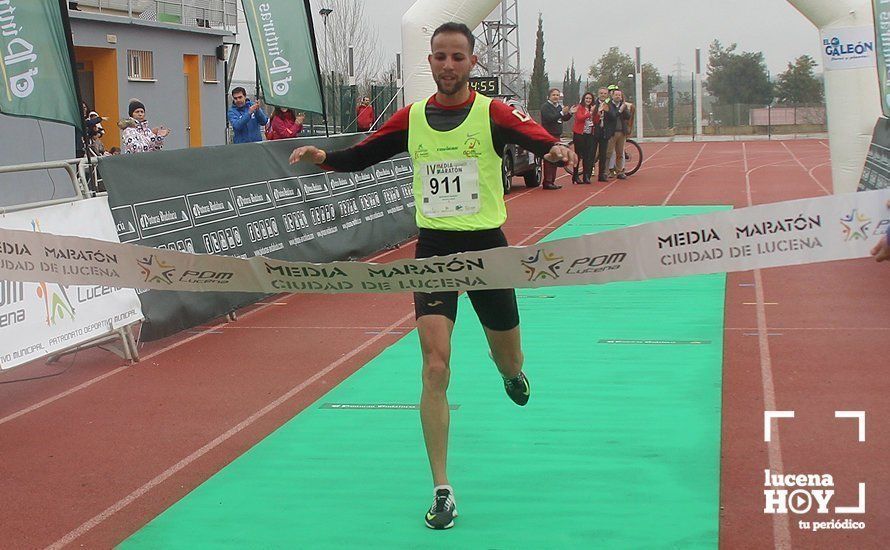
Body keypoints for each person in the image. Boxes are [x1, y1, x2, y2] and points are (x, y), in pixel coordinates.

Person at [288, 21, 575, 531]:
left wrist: (556, 149)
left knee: (508, 354)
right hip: (436, 248)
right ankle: (442, 488)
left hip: (487, 248)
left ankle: (510, 373)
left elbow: (537, 139)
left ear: (472, 63)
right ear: (431, 61)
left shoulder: (492, 112)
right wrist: (324, 158)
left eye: (457, 57)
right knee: (434, 367)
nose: (447, 65)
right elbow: (366, 153)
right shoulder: (413, 116)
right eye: (439, 56)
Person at [540, 88, 574, 189]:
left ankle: (552, 181)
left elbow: (563, 118)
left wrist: (570, 113)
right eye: (554, 95)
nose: (556, 97)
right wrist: (561, 113)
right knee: (550, 158)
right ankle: (547, 181)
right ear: (549, 96)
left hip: (557, 135)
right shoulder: (545, 107)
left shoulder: (558, 106)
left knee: (556, 158)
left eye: (557, 95)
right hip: (549, 135)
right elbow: (550, 119)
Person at [606, 89, 632, 180]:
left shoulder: (623, 106)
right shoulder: (608, 105)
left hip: (621, 132)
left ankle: (620, 171)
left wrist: (624, 109)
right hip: (612, 132)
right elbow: (612, 116)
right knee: (609, 153)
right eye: (616, 95)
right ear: (612, 96)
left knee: (620, 153)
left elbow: (628, 116)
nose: (618, 97)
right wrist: (620, 111)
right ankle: (607, 171)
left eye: (619, 95)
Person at [571, 92, 597, 184]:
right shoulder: (580, 107)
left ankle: (586, 176)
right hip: (579, 134)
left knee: (588, 156)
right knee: (578, 155)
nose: (588, 100)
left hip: (589, 134)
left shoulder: (593, 108)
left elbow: (596, 120)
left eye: (590, 99)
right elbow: (579, 118)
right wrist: (589, 113)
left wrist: (598, 114)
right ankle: (575, 175)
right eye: (587, 98)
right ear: (583, 99)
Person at [594, 87, 617, 182]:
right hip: (594, 132)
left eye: (605, 93)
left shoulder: (610, 105)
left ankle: (602, 174)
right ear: (598, 94)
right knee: (592, 153)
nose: (603, 95)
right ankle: (588, 173)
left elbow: (614, 117)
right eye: (601, 93)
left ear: (607, 95)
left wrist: (607, 111)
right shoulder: (594, 104)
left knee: (603, 154)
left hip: (605, 132)